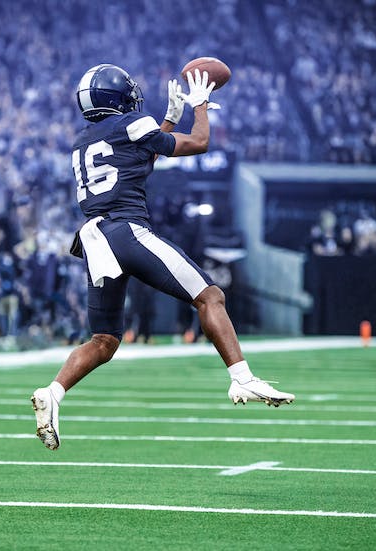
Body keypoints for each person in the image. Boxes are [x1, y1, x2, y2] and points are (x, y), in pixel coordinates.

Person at [31, 65, 294, 450]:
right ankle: (242, 376)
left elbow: (141, 162)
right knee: (210, 296)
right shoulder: (131, 123)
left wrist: (169, 119)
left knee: (104, 340)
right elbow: (199, 143)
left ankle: (53, 393)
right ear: (116, 97)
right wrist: (199, 105)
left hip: (95, 238)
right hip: (126, 231)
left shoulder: (83, 141)